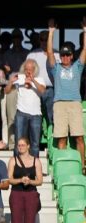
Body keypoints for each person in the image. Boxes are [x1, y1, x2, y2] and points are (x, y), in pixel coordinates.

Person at [46, 20, 86, 172]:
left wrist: (85, 30)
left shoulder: (77, 67)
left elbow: (85, 50)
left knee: (79, 137)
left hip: (75, 103)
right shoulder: (55, 68)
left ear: (71, 56)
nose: (65, 57)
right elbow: (50, 53)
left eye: (68, 54)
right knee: (61, 138)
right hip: (60, 104)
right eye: (62, 55)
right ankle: (63, 167)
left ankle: (83, 165)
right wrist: (51, 32)